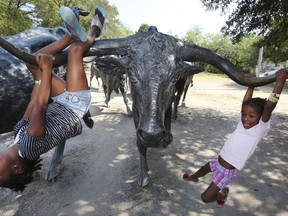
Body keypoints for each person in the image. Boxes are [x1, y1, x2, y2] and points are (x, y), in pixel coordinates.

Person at [0, 5, 106, 192]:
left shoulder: (17, 139)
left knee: (31, 61)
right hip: (74, 105)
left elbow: (33, 102)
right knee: (75, 52)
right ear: (17, 168)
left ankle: (69, 35)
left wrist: (40, 73)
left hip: (61, 102)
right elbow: (41, 104)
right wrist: (47, 69)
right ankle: (95, 28)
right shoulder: (30, 147)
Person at [184, 69, 287, 206]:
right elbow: (245, 103)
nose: (245, 118)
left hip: (227, 172)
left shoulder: (259, 129)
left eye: (251, 116)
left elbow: (268, 107)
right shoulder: (242, 123)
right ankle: (194, 177)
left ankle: (223, 194)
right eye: (244, 114)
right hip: (218, 160)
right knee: (203, 169)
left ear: (260, 117)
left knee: (205, 198)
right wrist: (251, 85)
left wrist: (279, 83)